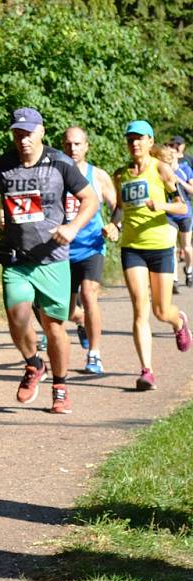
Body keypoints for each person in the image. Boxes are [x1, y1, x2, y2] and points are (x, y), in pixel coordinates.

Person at [0, 108, 99, 414]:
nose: (24, 140)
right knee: (17, 317)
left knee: (54, 327)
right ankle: (34, 364)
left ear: (41, 132)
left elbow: (90, 199)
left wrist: (72, 228)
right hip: (16, 257)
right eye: (18, 134)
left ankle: (60, 386)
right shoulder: (3, 164)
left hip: (52, 257)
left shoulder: (60, 162)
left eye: (29, 133)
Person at [103, 121, 192, 390]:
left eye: (140, 139)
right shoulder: (121, 175)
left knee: (161, 310)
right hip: (132, 248)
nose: (135, 144)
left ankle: (178, 321)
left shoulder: (161, 169)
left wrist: (160, 205)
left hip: (161, 245)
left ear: (150, 141)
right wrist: (113, 225)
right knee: (140, 309)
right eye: (130, 139)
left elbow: (181, 207)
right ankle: (147, 371)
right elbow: (119, 208)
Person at [61, 126, 117, 374]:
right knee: (65, 309)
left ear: (86, 146)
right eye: (68, 144)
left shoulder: (98, 176)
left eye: (77, 144)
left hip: (91, 247)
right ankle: (81, 320)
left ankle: (94, 354)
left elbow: (118, 206)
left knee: (89, 293)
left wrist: (114, 225)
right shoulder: (55, 173)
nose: (73, 148)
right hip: (61, 250)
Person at [164, 143, 193, 289]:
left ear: (176, 155)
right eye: (166, 155)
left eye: (171, 155)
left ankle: (189, 272)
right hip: (169, 214)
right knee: (171, 247)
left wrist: (179, 181)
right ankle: (173, 280)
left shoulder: (185, 169)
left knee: (186, 246)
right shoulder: (161, 171)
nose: (168, 158)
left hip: (185, 213)